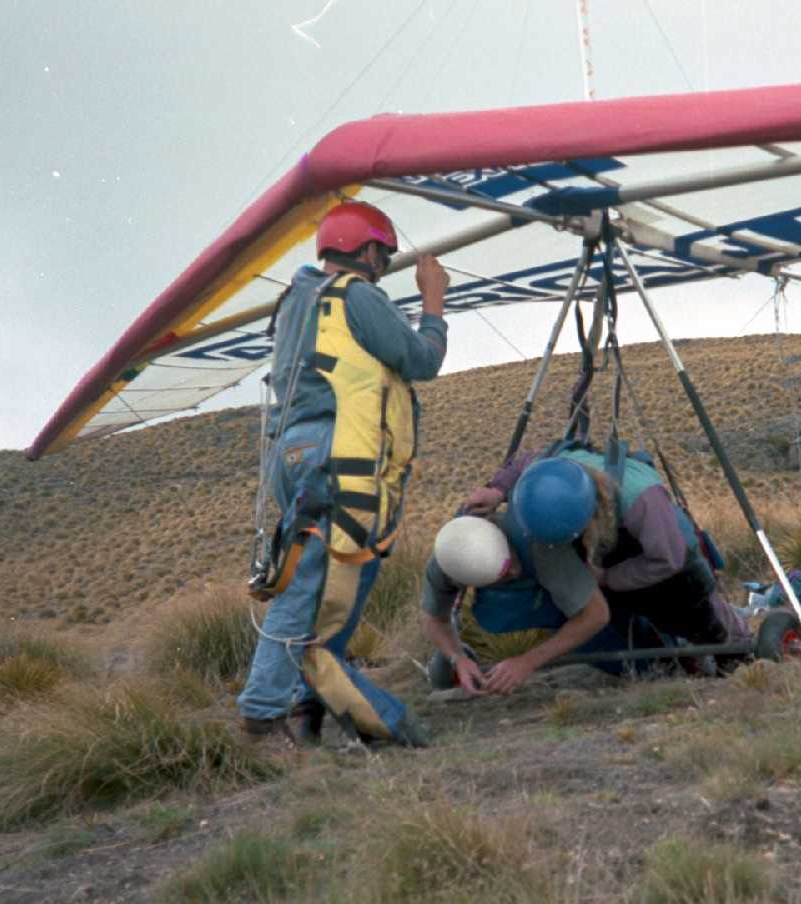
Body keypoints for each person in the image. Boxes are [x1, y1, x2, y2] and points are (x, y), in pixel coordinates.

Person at [238, 200, 451, 748]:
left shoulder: (296, 299)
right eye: (382, 253)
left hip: (293, 453)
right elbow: (422, 360)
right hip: (334, 452)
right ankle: (261, 717)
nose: (384, 264)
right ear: (365, 249)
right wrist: (433, 301)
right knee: (310, 587)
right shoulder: (355, 295)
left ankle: (306, 712)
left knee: (332, 584)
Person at [423, 448, 750, 694]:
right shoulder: (450, 556)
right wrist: (457, 657)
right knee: (635, 647)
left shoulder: (642, 503)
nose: (510, 577)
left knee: (686, 601)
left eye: (510, 569)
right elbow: (434, 617)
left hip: (664, 555)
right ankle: (668, 661)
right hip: (600, 553)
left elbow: (668, 560)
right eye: (499, 579)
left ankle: (731, 647)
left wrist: (608, 579)